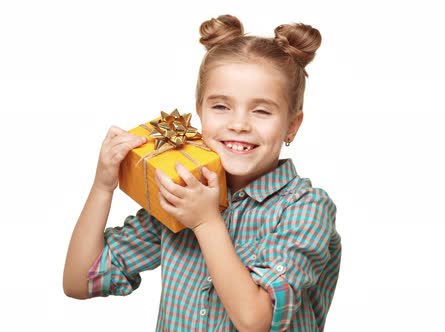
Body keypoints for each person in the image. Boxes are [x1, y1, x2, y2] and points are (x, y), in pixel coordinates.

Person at [63, 14, 341, 331]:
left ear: (292, 125)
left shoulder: (306, 208)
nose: (239, 124)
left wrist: (205, 221)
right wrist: (103, 188)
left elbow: (256, 320)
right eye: (221, 106)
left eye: (261, 111)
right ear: (200, 112)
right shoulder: (183, 193)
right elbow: (79, 282)